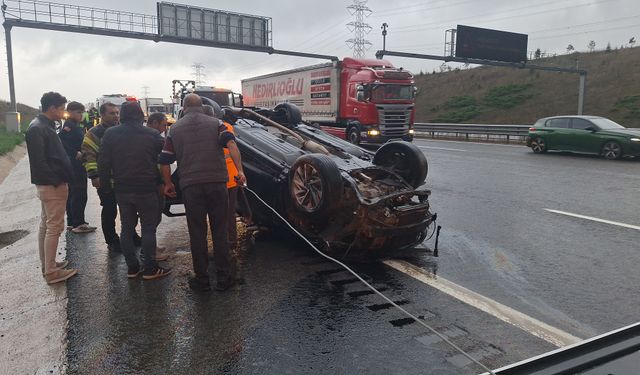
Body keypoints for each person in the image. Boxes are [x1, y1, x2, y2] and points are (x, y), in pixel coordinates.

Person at [159, 94, 246, 292]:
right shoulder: (216, 123)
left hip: (191, 186)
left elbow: (164, 160)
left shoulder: (175, 129)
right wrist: (240, 171)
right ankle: (224, 278)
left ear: (183, 107)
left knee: (197, 232)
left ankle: (202, 279)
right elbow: (232, 144)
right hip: (217, 183)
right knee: (220, 230)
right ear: (202, 106)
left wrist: (168, 184)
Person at [98, 101, 170, 280]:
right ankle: (150, 269)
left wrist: (106, 188)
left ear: (121, 115)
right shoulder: (152, 134)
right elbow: (167, 156)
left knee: (126, 228)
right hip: (146, 187)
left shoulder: (110, 133)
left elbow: (103, 163)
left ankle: (132, 268)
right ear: (140, 115)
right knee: (148, 228)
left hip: (122, 188)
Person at [25, 92, 78, 284]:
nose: (63, 113)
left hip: (49, 183)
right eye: (62, 108)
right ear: (52, 108)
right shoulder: (38, 129)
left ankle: (49, 264)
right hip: (51, 185)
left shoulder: (42, 126)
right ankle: (51, 272)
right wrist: (57, 180)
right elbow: (40, 162)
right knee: (54, 227)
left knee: (47, 224)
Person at [82, 102, 140, 252]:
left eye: (117, 113)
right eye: (111, 113)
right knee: (109, 210)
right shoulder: (93, 134)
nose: (115, 116)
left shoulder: (123, 130)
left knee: (129, 210)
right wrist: (95, 176)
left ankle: (131, 235)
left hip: (124, 178)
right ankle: (112, 240)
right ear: (102, 115)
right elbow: (89, 156)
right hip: (106, 180)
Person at [202, 104, 240, 249]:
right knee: (228, 212)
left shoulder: (206, 129)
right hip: (231, 175)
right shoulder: (226, 126)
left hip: (220, 177)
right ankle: (230, 240)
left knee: (222, 213)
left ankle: (228, 242)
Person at [59, 101, 96, 234]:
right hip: (74, 165)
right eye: (78, 112)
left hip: (74, 164)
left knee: (73, 193)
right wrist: (75, 153)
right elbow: (60, 141)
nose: (81, 115)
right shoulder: (69, 126)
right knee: (79, 193)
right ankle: (78, 223)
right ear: (70, 112)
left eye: (82, 112)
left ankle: (73, 221)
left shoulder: (74, 125)